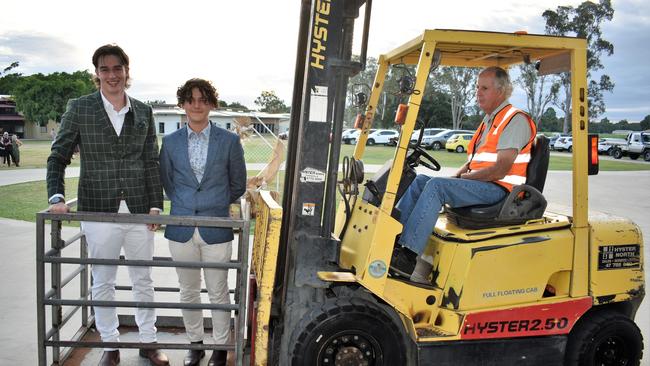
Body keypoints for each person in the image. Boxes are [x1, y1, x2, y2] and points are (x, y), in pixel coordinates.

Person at [46, 44, 168, 366]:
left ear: (127, 72)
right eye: (105, 69)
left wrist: (156, 205)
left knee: (143, 278)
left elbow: (151, 161)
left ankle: (148, 341)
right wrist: (56, 197)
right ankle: (110, 345)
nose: (112, 75)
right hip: (98, 208)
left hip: (139, 208)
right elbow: (58, 156)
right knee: (103, 279)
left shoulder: (144, 110)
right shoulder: (80, 108)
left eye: (118, 68)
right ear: (96, 73)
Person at [391, 66, 537, 283]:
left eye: (484, 88)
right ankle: (392, 239)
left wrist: (462, 180)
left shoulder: (514, 120)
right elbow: (473, 163)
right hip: (483, 185)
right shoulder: (489, 120)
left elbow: (501, 169)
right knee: (422, 180)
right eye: (478, 87)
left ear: (502, 91)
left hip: (501, 190)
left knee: (437, 187)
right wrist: (455, 177)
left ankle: (407, 256)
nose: (478, 92)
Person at [159, 78, 246, 366]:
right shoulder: (170, 142)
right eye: (191, 99)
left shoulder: (230, 140)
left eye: (202, 99)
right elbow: (168, 182)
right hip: (181, 227)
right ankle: (195, 345)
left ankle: (220, 348)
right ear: (182, 104)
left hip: (216, 225)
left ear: (211, 104)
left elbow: (238, 184)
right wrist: (187, 204)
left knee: (218, 289)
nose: (196, 105)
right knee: (188, 290)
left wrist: (213, 204)